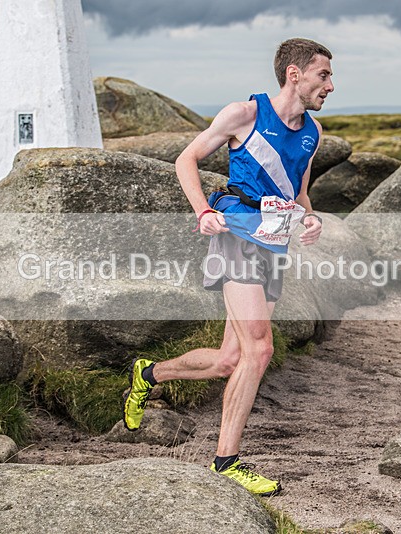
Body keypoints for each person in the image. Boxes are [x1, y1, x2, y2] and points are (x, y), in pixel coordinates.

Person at [122, 37, 333, 496]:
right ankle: (226, 462)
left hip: (273, 244)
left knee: (229, 360)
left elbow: (298, 194)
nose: (330, 85)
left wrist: (310, 219)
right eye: (323, 75)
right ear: (294, 74)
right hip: (235, 234)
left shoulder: (312, 135)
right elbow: (186, 160)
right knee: (260, 351)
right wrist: (203, 211)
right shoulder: (246, 114)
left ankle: (147, 374)